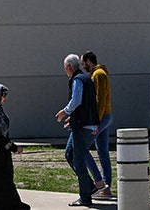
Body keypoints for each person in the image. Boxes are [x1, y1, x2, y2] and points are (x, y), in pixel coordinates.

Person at [55, 53, 99, 207]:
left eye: (65, 67)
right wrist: (72, 118)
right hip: (83, 124)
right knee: (69, 154)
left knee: (78, 161)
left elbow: (76, 101)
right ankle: (90, 186)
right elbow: (89, 104)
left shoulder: (78, 80)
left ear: (68, 67)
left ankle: (85, 197)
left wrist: (65, 112)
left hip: (82, 127)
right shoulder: (86, 79)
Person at [81, 51, 114, 199]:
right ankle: (106, 188)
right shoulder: (98, 73)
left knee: (82, 148)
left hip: (102, 117)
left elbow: (99, 99)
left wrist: (96, 122)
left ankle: (99, 182)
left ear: (88, 61)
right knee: (103, 152)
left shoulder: (98, 74)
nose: (83, 66)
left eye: (83, 63)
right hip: (105, 116)